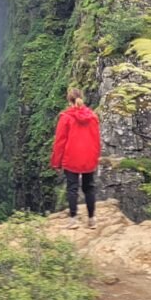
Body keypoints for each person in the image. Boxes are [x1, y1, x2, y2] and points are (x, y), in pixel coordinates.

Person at [50, 88, 101, 229]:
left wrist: (56, 163)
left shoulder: (66, 117)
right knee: (89, 187)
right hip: (88, 158)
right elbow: (97, 140)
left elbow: (60, 141)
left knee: (72, 188)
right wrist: (95, 157)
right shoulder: (93, 116)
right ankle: (91, 220)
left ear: (69, 100)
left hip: (71, 157)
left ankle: (73, 220)